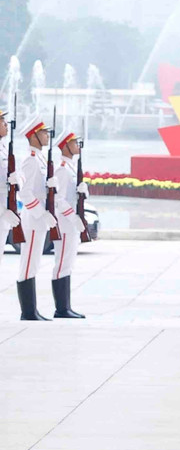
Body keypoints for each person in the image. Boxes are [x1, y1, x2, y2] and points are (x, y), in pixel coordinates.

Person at [15, 115, 58, 321]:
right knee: (28, 262)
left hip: (39, 219)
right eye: (43, 132)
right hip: (33, 219)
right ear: (33, 136)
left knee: (35, 263)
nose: (46, 135)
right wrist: (42, 214)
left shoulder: (40, 158)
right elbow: (25, 194)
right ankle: (28, 311)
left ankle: (33, 310)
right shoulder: (30, 161)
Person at [50, 131, 87, 318]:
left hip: (71, 224)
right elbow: (59, 200)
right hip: (65, 224)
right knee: (62, 263)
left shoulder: (71, 168)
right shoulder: (63, 170)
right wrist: (73, 218)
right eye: (74, 143)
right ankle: (61, 308)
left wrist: (83, 192)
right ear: (65, 145)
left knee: (68, 263)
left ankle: (67, 306)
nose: (78, 145)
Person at [0, 109, 25, 285]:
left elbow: (17, 178)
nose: (6, 125)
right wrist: (3, 211)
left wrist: (17, 180)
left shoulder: (3, 149)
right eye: (2, 121)